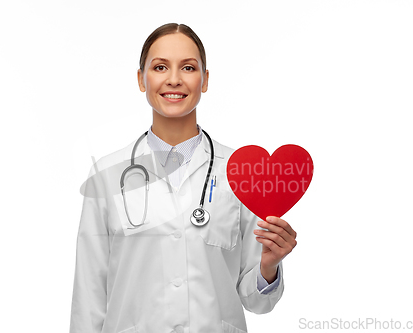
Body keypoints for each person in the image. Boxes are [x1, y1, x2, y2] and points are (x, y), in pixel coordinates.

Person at [70, 23, 297, 333]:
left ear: (204, 80)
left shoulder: (241, 172)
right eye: (160, 67)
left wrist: (268, 267)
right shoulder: (107, 175)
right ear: (141, 79)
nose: (174, 79)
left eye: (188, 67)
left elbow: (257, 301)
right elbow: (89, 294)